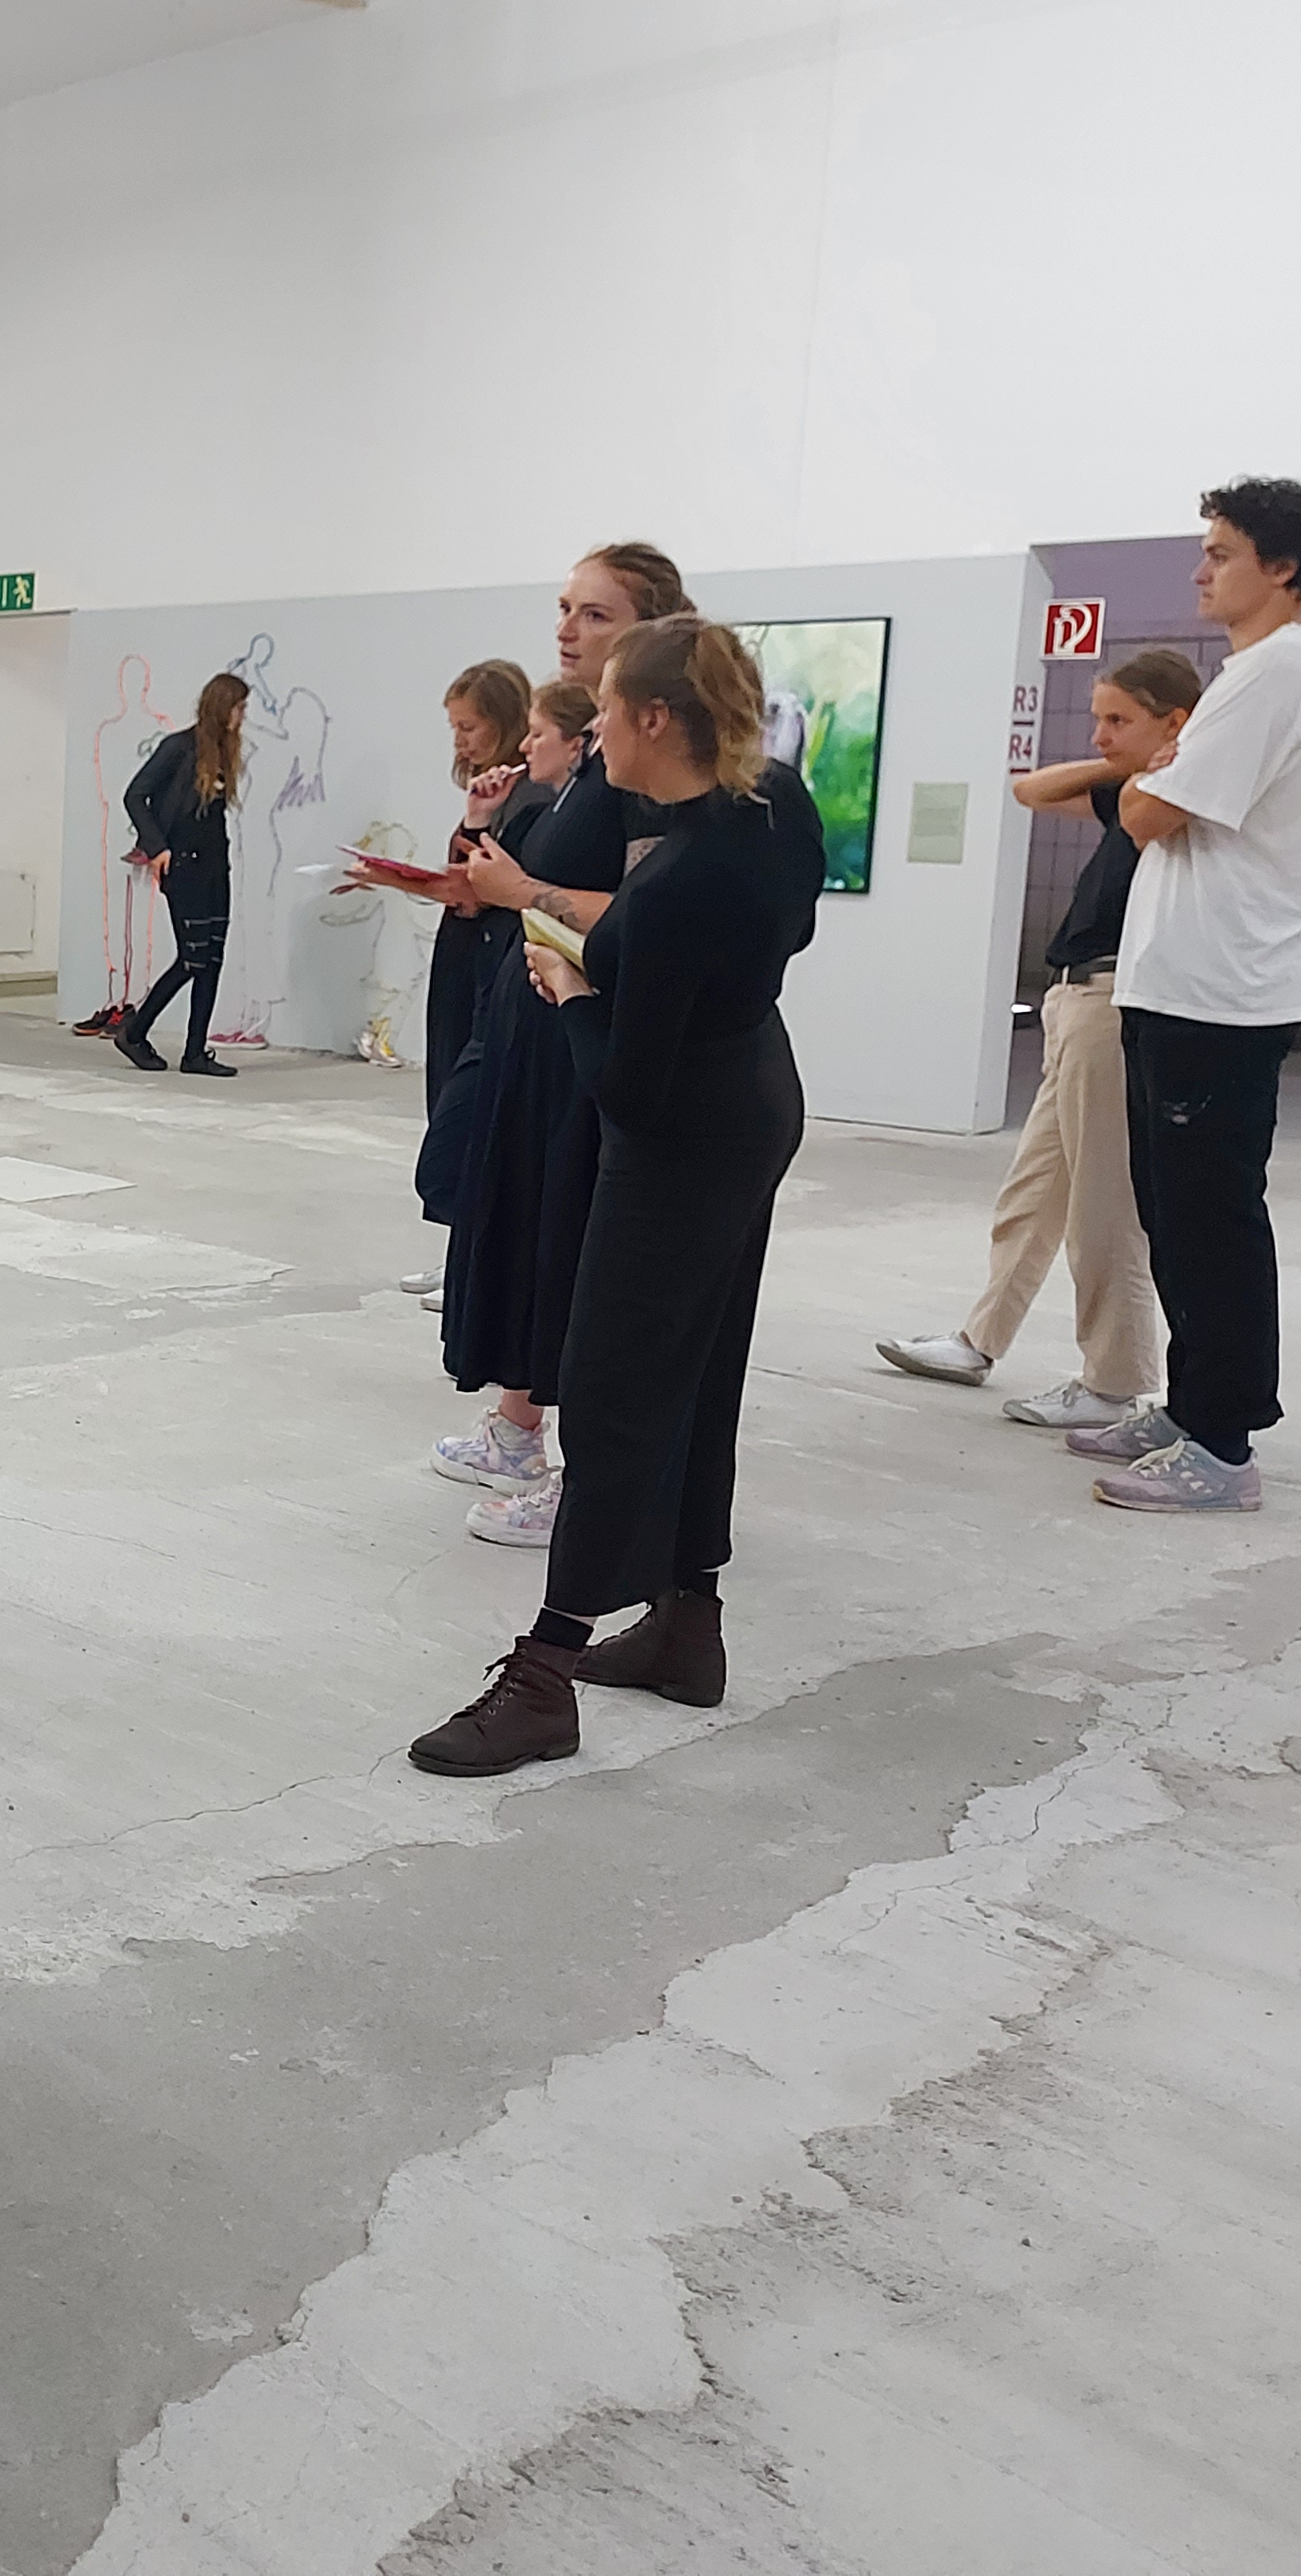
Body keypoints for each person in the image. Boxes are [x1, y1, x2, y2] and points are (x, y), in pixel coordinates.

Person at [411, 616, 811, 1776]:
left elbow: (629, 1090)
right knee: (702, 1369)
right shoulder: (771, 806)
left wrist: (574, 987)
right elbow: (784, 931)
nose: (592, 743)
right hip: (754, 1099)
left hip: (678, 1136)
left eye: (601, 722)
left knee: (613, 1385)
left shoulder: (683, 876)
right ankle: (688, 1621)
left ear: (651, 719)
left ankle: (544, 1672)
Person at [1071, 478, 1301, 1515]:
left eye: (1222, 552)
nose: (1200, 570)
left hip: (1221, 994)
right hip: (1181, 986)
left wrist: (1157, 777)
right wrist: (1156, 773)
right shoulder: (1256, 673)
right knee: (1173, 1208)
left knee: (1210, 1217)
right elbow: (1146, 793)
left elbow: (1146, 814)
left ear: (1282, 568)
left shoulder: (1281, 671)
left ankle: (1223, 1445)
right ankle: (1188, 1409)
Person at [412, 545, 690, 1529]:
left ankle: (584, 1478)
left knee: (583, 1252)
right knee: (531, 1233)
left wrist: (521, 892)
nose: (568, 629)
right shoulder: (593, 759)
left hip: (589, 1036)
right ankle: (520, 1427)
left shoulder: (648, 768)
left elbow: (656, 911)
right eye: (565, 608)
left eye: (595, 614)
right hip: (538, 1026)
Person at [876, 650, 1198, 1425]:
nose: (1101, 734)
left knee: (1100, 1203)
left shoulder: (1176, 792)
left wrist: (1158, 762)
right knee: (1034, 1191)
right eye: (1097, 718)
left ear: (1175, 722)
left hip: (1113, 1001)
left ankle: (1114, 1380)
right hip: (1074, 998)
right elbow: (1030, 789)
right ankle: (979, 1339)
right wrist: (1125, 757)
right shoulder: (1134, 783)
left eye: (1118, 719)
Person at [420, 660, 540, 1129]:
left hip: (491, 956)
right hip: (464, 951)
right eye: (455, 728)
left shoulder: (530, 797)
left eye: (468, 728)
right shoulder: (492, 792)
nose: (459, 741)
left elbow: (482, 885)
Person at [111, 671, 246, 1076]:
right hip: (183, 865)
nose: (242, 716)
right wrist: (157, 847)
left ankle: (195, 1052)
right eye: (238, 708)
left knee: (212, 958)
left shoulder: (221, 753)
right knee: (193, 958)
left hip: (215, 866)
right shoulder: (179, 748)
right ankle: (134, 1032)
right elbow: (135, 795)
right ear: (221, 707)